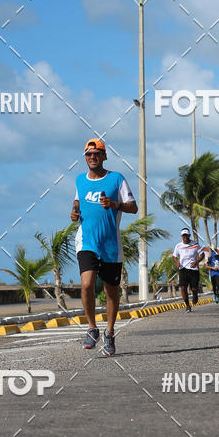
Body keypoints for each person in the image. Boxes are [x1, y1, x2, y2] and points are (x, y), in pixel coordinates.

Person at [70, 138, 137, 356]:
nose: (92, 157)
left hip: (110, 245)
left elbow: (133, 207)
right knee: (87, 284)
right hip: (86, 241)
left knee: (111, 292)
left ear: (104, 156)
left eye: (96, 153)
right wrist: (74, 211)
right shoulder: (80, 180)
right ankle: (92, 328)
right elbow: (78, 200)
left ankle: (109, 333)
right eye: (88, 154)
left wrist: (115, 204)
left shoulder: (116, 179)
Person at [172, 228, 206, 312]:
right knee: (183, 287)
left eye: (186, 235)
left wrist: (196, 262)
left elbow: (202, 254)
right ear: (181, 236)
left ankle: (195, 294)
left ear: (189, 235)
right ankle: (187, 305)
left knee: (194, 288)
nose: (185, 237)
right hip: (182, 268)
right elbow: (174, 256)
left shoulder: (195, 244)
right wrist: (177, 263)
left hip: (193, 269)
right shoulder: (178, 246)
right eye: (183, 235)